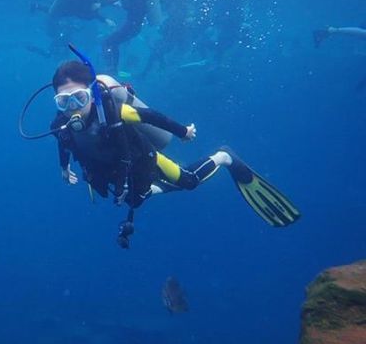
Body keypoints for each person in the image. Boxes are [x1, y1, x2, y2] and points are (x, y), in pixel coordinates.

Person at [43, 51, 300, 248]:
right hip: (111, 168)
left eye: (79, 98)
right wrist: (64, 169)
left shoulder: (114, 113)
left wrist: (182, 131)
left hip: (144, 158)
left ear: (92, 94)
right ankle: (149, 187)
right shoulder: (60, 126)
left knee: (189, 181)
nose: (73, 108)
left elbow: (151, 117)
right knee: (135, 198)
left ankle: (223, 157)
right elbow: (63, 146)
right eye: (64, 101)